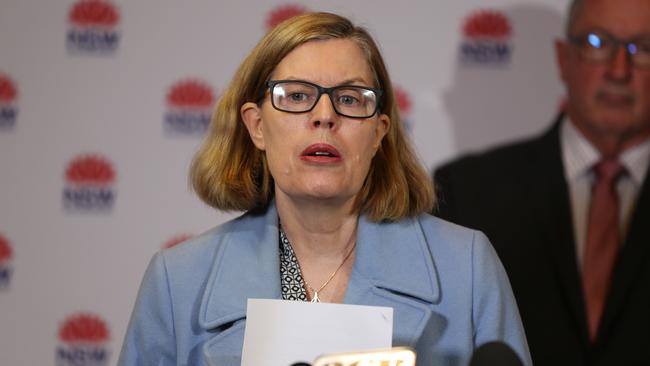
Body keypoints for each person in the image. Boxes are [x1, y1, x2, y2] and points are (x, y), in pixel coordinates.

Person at [118, 12, 530, 366]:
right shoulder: (176, 281)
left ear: (378, 133)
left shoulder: (467, 268)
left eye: (350, 99)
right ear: (256, 126)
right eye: (296, 96)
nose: (324, 116)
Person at [434, 0, 650, 365]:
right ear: (563, 58)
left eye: (643, 48)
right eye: (597, 43)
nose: (619, 69)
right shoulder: (467, 191)